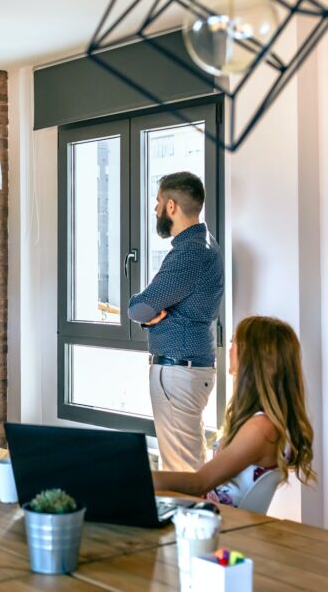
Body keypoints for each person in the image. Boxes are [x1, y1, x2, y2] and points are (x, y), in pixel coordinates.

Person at [153, 316, 316, 506]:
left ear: (254, 355)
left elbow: (200, 483)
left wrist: (138, 477)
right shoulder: (264, 421)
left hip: (217, 522)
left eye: (234, 343)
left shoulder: (261, 428)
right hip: (212, 518)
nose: (229, 349)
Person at [128, 171, 223, 472]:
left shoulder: (190, 254)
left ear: (171, 206)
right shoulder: (204, 245)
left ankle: (193, 519)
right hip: (187, 368)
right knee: (184, 463)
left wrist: (146, 315)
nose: (155, 210)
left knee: (183, 470)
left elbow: (140, 307)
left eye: (157, 202)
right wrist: (151, 318)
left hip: (179, 370)